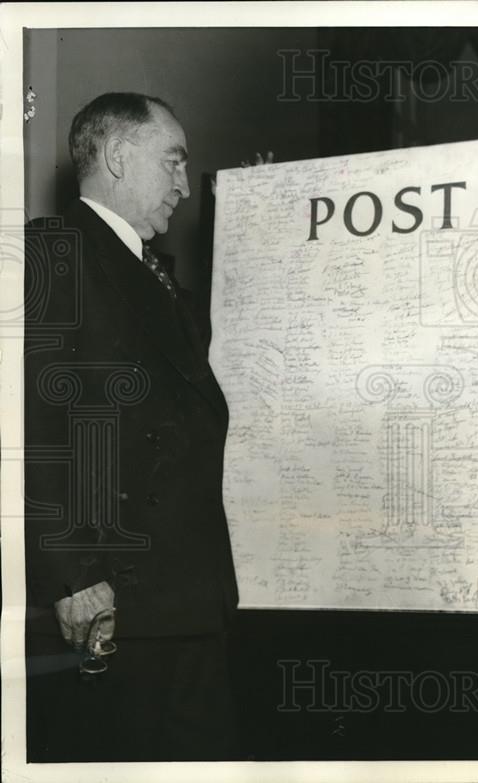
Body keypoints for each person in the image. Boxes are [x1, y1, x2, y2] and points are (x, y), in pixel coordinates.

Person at [24, 92, 239, 761]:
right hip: (114, 599)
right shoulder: (51, 254)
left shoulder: (154, 276)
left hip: (183, 597)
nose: (184, 182)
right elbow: (32, 421)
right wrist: (75, 573)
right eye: (173, 161)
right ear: (118, 155)